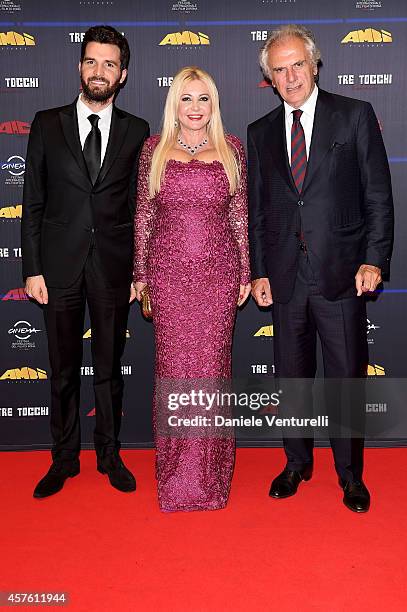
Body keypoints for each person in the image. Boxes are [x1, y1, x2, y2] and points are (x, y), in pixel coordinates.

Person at [248, 24, 393, 512]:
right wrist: (260, 270)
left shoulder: (354, 115)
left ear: (315, 65)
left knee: (345, 377)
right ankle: (295, 463)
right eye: (279, 69)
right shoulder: (261, 132)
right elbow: (259, 210)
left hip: (341, 273)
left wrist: (374, 258)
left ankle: (350, 475)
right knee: (291, 377)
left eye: (297, 65)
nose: (290, 77)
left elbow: (377, 195)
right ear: (269, 77)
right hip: (286, 277)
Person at [22, 25, 149, 498]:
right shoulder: (46, 122)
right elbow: (32, 201)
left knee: (110, 368)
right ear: (80, 67)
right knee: (61, 369)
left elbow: (141, 210)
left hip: (113, 269)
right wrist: (32, 269)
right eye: (92, 62)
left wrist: (140, 273)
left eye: (110, 64)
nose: (100, 72)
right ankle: (64, 458)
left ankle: (109, 454)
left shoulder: (137, 130)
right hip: (57, 268)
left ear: (123, 74)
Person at [133, 66, 251, 512]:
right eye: (187, 98)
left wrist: (244, 272)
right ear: (174, 105)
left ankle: (209, 478)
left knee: (212, 372)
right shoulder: (153, 150)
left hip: (218, 275)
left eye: (203, 98)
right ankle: (176, 478)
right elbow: (144, 216)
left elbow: (240, 215)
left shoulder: (231, 148)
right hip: (167, 275)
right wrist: (140, 275)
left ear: (213, 103)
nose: (195, 108)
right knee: (175, 371)